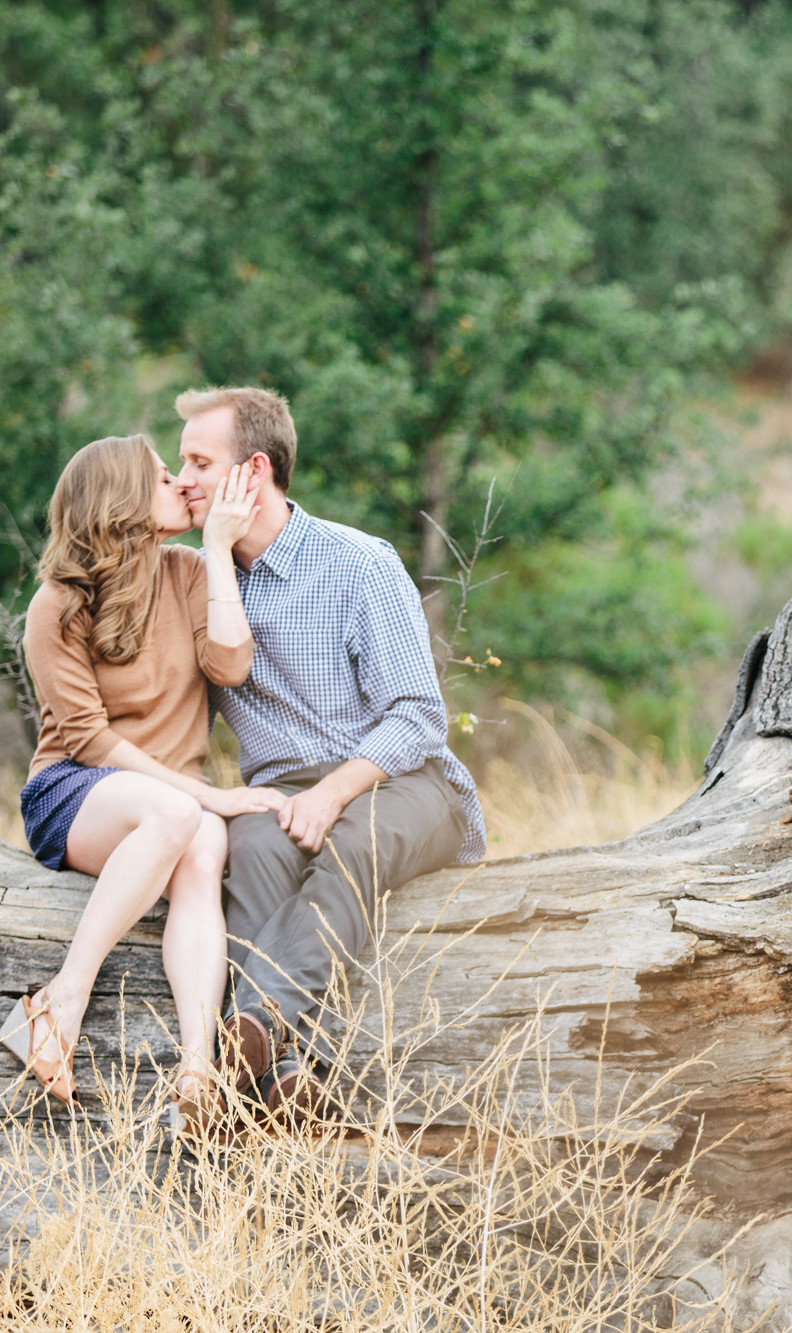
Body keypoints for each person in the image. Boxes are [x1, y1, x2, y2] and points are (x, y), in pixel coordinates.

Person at [172, 386, 486, 1122]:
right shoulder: (199, 583)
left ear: (253, 471)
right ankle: (291, 1076)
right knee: (249, 850)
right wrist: (215, 554)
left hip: (404, 780)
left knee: (350, 841)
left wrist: (335, 791)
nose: (181, 477)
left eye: (197, 460)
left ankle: (250, 1028)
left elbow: (418, 716)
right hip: (278, 790)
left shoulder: (356, 564)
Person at [0, 434, 284, 1132]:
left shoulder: (187, 572)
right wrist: (207, 793)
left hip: (169, 802)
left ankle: (195, 1069)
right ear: (123, 500)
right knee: (183, 816)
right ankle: (60, 999)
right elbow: (89, 738)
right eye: (164, 478)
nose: (184, 485)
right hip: (76, 788)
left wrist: (218, 553)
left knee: (201, 843)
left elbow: (232, 664)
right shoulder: (58, 604)